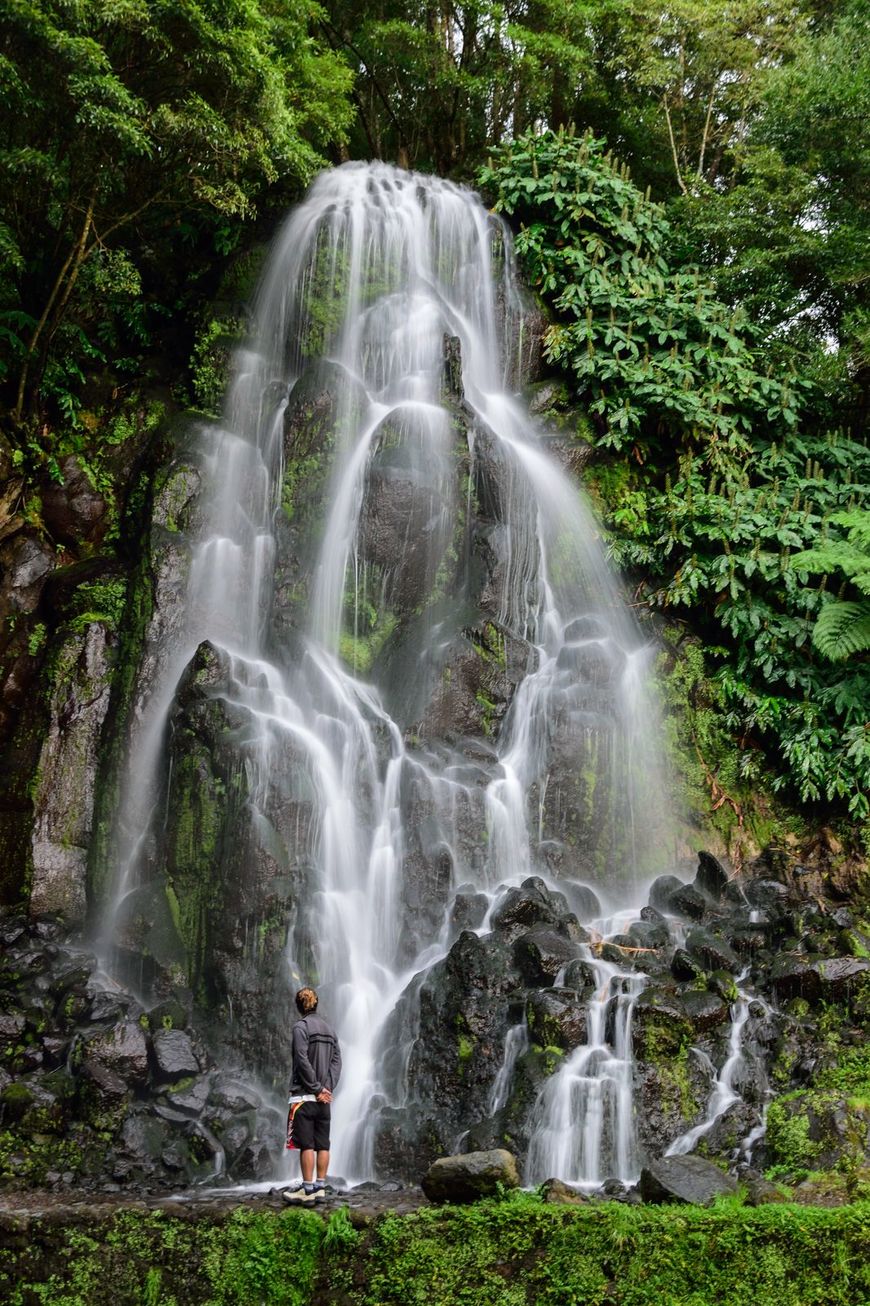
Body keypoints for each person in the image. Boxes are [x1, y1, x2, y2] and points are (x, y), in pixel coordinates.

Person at [283, 986, 342, 1205]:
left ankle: (307, 1190)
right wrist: (327, 1088)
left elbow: (301, 1059)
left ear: (299, 1007)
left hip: (304, 1098)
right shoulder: (330, 1030)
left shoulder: (301, 1027)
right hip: (324, 1101)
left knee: (307, 1144)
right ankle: (320, 1187)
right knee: (323, 1144)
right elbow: (337, 1062)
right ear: (317, 1004)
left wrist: (316, 1089)